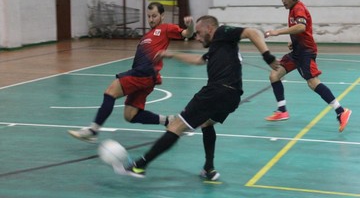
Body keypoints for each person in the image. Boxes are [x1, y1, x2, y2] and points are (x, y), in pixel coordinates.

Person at [113, 15, 279, 180]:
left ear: (209, 28)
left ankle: (139, 166)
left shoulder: (222, 32)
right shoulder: (218, 46)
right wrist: (172, 54)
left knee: (176, 125)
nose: (197, 38)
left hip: (216, 91)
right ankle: (209, 169)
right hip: (232, 96)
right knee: (206, 123)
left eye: (199, 33)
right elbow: (199, 60)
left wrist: (268, 57)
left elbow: (252, 32)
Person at [68, 2, 194, 143]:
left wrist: (190, 25)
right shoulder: (146, 36)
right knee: (130, 115)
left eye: (154, 16)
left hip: (143, 73)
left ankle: (92, 130)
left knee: (111, 91)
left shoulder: (165, 29)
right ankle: (168, 120)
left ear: (162, 16)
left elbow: (187, 33)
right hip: (146, 77)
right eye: (149, 16)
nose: (151, 19)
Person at [264, 0, 351, 132]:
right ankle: (282, 110)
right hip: (297, 51)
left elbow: (301, 27)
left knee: (312, 82)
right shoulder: (292, 8)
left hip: (306, 52)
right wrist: (293, 42)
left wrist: (277, 32)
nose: (283, 1)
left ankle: (341, 111)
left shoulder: (298, 8)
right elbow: (300, 31)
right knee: (274, 74)